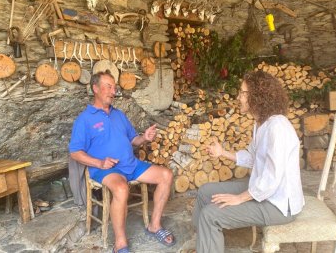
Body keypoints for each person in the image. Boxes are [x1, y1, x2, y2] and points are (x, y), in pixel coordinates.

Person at [192, 70, 305, 253]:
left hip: (279, 205)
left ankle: (206, 243)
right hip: (266, 192)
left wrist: (240, 198)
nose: (239, 97)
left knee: (210, 215)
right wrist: (223, 153)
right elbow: (253, 157)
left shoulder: (277, 128)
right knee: (205, 192)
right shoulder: (261, 123)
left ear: (257, 96)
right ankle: (204, 245)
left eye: (242, 93)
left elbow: (271, 180)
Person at [69, 71, 175, 253]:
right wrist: (100, 163)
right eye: (108, 86)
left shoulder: (119, 115)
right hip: (106, 170)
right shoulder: (84, 119)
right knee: (121, 188)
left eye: (114, 87)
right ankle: (120, 243)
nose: (113, 91)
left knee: (166, 175)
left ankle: (154, 225)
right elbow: (75, 152)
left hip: (131, 165)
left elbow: (134, 139)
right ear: (95, 88)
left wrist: (145, 138)